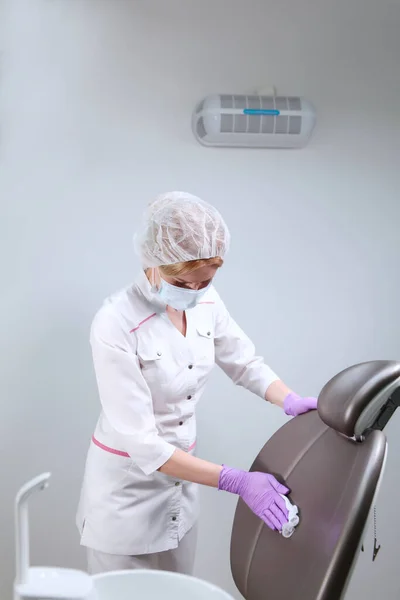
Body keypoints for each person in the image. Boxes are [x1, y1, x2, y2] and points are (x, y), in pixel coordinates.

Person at [76, 191, 317, 576]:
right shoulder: (115, 323)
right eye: (181, 282)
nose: (192, 292)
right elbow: (144, 445)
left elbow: (244, 362)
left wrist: (288, 399)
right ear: (151, 260)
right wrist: (236, 481)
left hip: (181, 490)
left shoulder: (206, 299)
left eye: (203, 282)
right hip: (127, 495)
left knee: (179, 591)